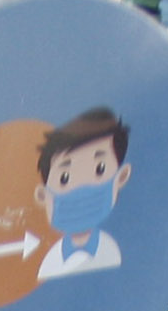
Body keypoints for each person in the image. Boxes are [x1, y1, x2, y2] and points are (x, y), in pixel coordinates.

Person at [34, 109, 132, 279]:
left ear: (121, 177)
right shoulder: (49, 264)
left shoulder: (113, 252)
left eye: (99, 169)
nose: (81, 187)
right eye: (64, 178)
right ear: (43, 196)